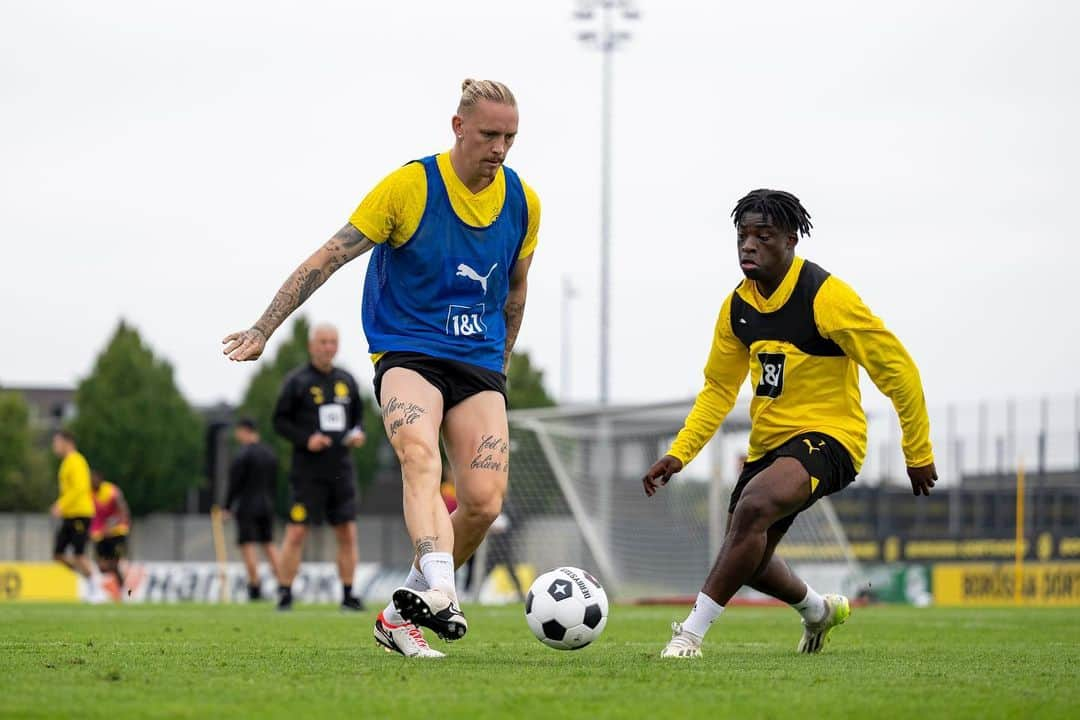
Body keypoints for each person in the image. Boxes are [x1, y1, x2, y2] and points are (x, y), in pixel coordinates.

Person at [223, 78, 538, 658]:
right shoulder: (407, 188)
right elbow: (329, 256)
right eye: (490, 134)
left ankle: (400, 614)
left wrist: (504, 359)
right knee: (417, 457)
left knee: (485, 501)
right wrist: (264, 328)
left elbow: (516, 287)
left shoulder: (523, 200)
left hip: (478, 360)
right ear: (458, 127)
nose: (499, 148)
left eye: (510, 137)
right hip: (408, 352)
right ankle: (443, 588)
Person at [642, 189, 937, 658]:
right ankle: (818, 610)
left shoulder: (826, 297)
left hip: (832, 438)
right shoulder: (736, 308)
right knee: (750, 559)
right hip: (769, 447)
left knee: (753, 509)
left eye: (764, 236)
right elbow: (718, 390)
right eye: (743, 235)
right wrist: (680, 453)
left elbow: (898, 371)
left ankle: (689, 636)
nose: (749, 246)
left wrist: (917, 451)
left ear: (791, 240)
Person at [270, 323, 367, 612]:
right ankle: (285, 592)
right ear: (312, 345)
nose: (328, 347)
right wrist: (306, 439)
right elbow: (279, 421)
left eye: (332, 342)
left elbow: (359, 419)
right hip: (307, 471)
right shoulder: (296, 381)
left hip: (341, 469)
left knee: (347, 532)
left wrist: (358, 433)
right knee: (297, 531)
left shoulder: (347, 381)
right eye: (323, 342)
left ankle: (349, 594)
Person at [224, 418, 281, 601]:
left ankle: (255, 586)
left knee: (248, 544)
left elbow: (235, 484)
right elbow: (274, 483)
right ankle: (284, 584)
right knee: (269, 544)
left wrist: (227, 506)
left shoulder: (243, 455)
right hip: (267, 504)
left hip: (247, 505)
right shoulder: (270, 453)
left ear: (244, 431)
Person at [49, 430, 96, 589]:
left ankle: (97, 585)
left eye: (57, 443)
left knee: (79, 555)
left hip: (80, 514)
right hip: (69, 515)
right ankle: (89, 579)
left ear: (67, 442)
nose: (54, 447)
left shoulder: (76, 461)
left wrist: (61, 504)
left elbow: (80, 488)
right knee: (58, 554)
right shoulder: (66, 462)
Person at [89, 469, 131, 598]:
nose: (92, 481)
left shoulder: (112, 491)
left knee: (115, 562)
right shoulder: (88, 493)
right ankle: (119, 588)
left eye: (94, 479)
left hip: (116, 533)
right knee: (102, 566)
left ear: (101, 480)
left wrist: (111, 525)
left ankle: (123, 592)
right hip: (99, 535)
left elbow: (123, 511)